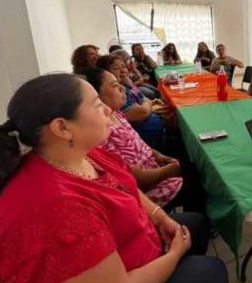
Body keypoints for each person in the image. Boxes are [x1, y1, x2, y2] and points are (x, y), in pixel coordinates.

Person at [0, 73, 228, 283]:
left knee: (196, 225)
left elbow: (128, 185)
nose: (105, 107)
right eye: (95, 104)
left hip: (132, 244)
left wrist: (160, 216)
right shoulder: (60, 211)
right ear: (62, 127)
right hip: (125, 279)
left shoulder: (82, 152)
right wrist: (174, 255)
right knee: (212, 270)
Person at [84, 67, 206, 215]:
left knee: (197, 164)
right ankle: (195, 222)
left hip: (154, 166)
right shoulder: (104, 134)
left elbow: (138, 143)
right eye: (115, 86)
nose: (123, 88)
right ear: (97, 96)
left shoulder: (118, 114)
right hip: (148, 190)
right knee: (199, 182)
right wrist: (169, 171)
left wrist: (158, 155)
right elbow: (137, 179)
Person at [99, 55, 166, 150]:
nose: (122, 70)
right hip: (144, 143)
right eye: (116, 68)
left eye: (123, 66)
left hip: (154, 137)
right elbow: (142, 112)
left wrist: (131, 85)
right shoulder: (115, 94)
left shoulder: (125, 86)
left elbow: (144, 99)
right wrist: (147, 104)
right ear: (105, 73)